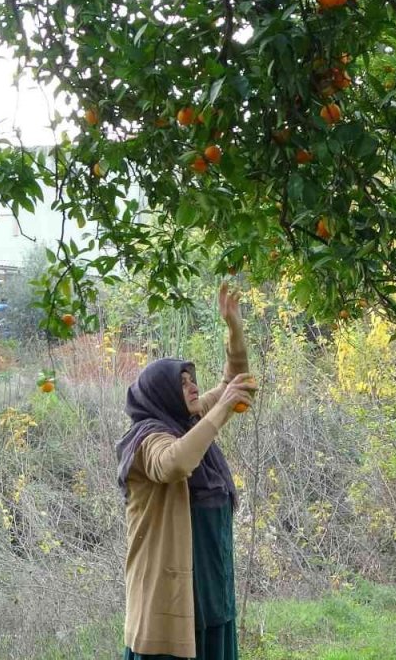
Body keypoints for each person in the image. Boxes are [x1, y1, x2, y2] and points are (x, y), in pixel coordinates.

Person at [117, 283, 254, 660]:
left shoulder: (188, 421)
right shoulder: (145, 441)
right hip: (172, 600)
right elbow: (174, 463)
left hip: (211, 593)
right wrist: (222, 409)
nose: (193, 387)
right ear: (161, 395)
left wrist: (235, 330)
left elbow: (234, 385)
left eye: (192, 378)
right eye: (182, 383)